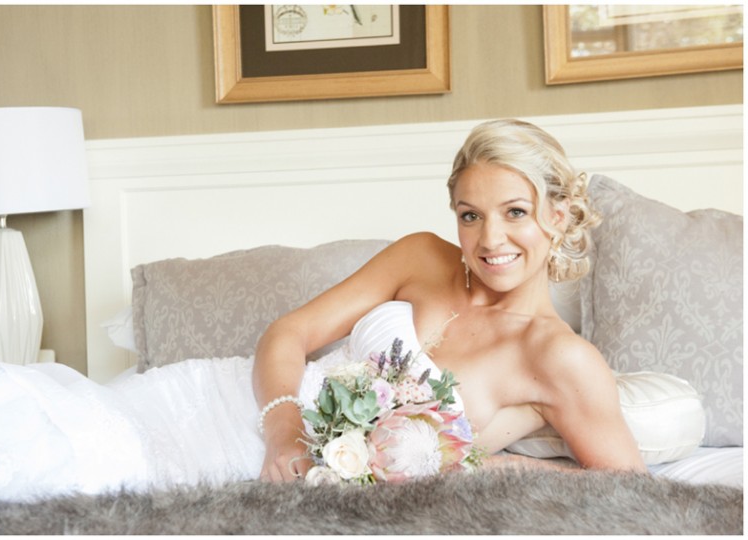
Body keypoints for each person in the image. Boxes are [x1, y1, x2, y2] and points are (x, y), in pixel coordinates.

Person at [254, 118, 647, 483]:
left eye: (515, 212)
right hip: (252, 409)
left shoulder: (561, 356)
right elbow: (289, 332)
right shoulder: (420, 257)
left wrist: (496, 467)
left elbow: (628, 486)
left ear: (558, 216)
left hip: (306, 481)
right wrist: (284, 432)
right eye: (471, 216)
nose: (490, 239)